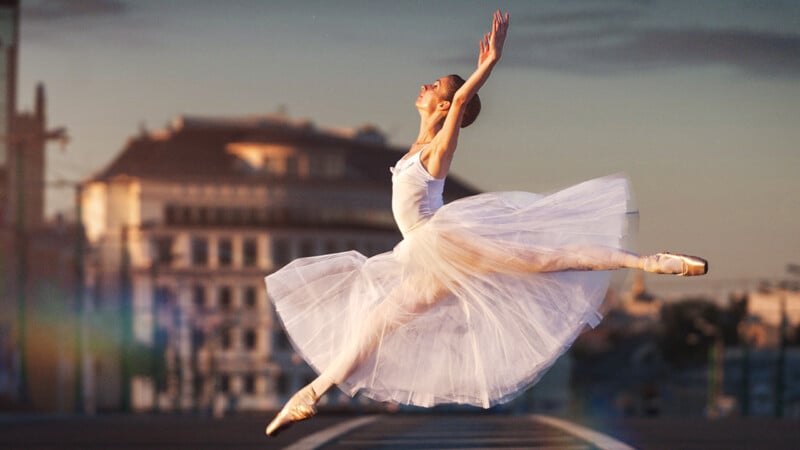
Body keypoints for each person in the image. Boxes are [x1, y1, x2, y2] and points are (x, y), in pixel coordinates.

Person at [264, 10, 706, 436]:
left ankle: (649, 262)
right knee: (378, 325)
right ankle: (309, 395)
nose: (423, 85)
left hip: (443, 242)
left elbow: (460, 100)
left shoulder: (437, 150)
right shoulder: (414, 147)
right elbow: (451, 103)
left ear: (441, 103)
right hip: (423, 258)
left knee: (546, 259)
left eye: (432, 85)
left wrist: (488, 65)